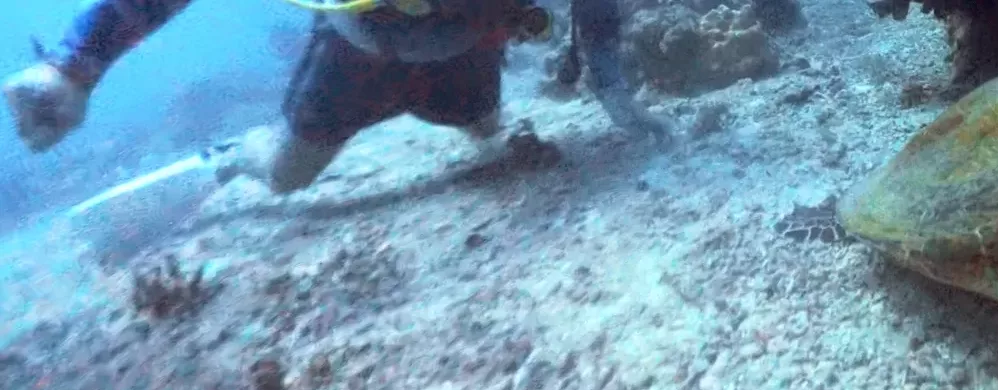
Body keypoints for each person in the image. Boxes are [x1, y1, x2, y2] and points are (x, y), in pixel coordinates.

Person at [2, 0, 672, 194]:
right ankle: (235, 156)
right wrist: (74, 68)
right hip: (352, 60)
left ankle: (476, 113)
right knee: (287, 175)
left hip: (467, 54)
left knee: (488, 129)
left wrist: (619, 103)